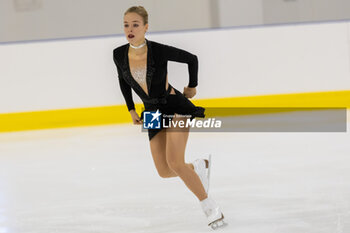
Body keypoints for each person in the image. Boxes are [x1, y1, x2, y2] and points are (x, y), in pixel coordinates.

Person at [112, 6, 226, 229]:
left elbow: (192, 59)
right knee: (165, 171)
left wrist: (192, 86)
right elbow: (122, 80)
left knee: (175, 162)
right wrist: (131, 109)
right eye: (126, 24)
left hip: (173, 105)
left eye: (135, 24)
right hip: (152, 112)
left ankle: (211, 208)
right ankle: (198, 167)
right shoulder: (118, 54)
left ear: (146, 27)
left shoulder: (159, 50)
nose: (130, 29)